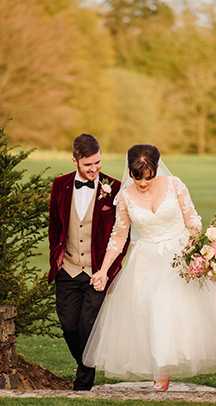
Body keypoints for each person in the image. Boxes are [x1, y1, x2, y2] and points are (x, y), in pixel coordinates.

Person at [83, 144, 216, 391]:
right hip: (145, 260)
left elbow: (193, 221)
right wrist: (103, 270)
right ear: (130, 171)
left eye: (148, 177)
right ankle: (161, 370)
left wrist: (195, 251)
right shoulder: (125, 197)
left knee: (164, 303)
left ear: (157, 169)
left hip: (179, 257)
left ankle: (163, 373)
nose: (143, 183)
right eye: (137, 178)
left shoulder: (175, 185)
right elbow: (118, 235)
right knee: (150, 308)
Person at [47, 134, 127, 391]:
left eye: (98, 163)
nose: (94, 169)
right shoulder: (59, 185)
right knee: (69, 325)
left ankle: (83, 382)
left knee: (87, 324)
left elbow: (121, 234)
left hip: (97, 272)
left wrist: (108, 270)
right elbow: (54, 227)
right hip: (67, 268)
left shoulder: (113, 187)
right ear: (75, 161)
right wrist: (56, 260)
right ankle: (87, 363)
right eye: (88, 165)